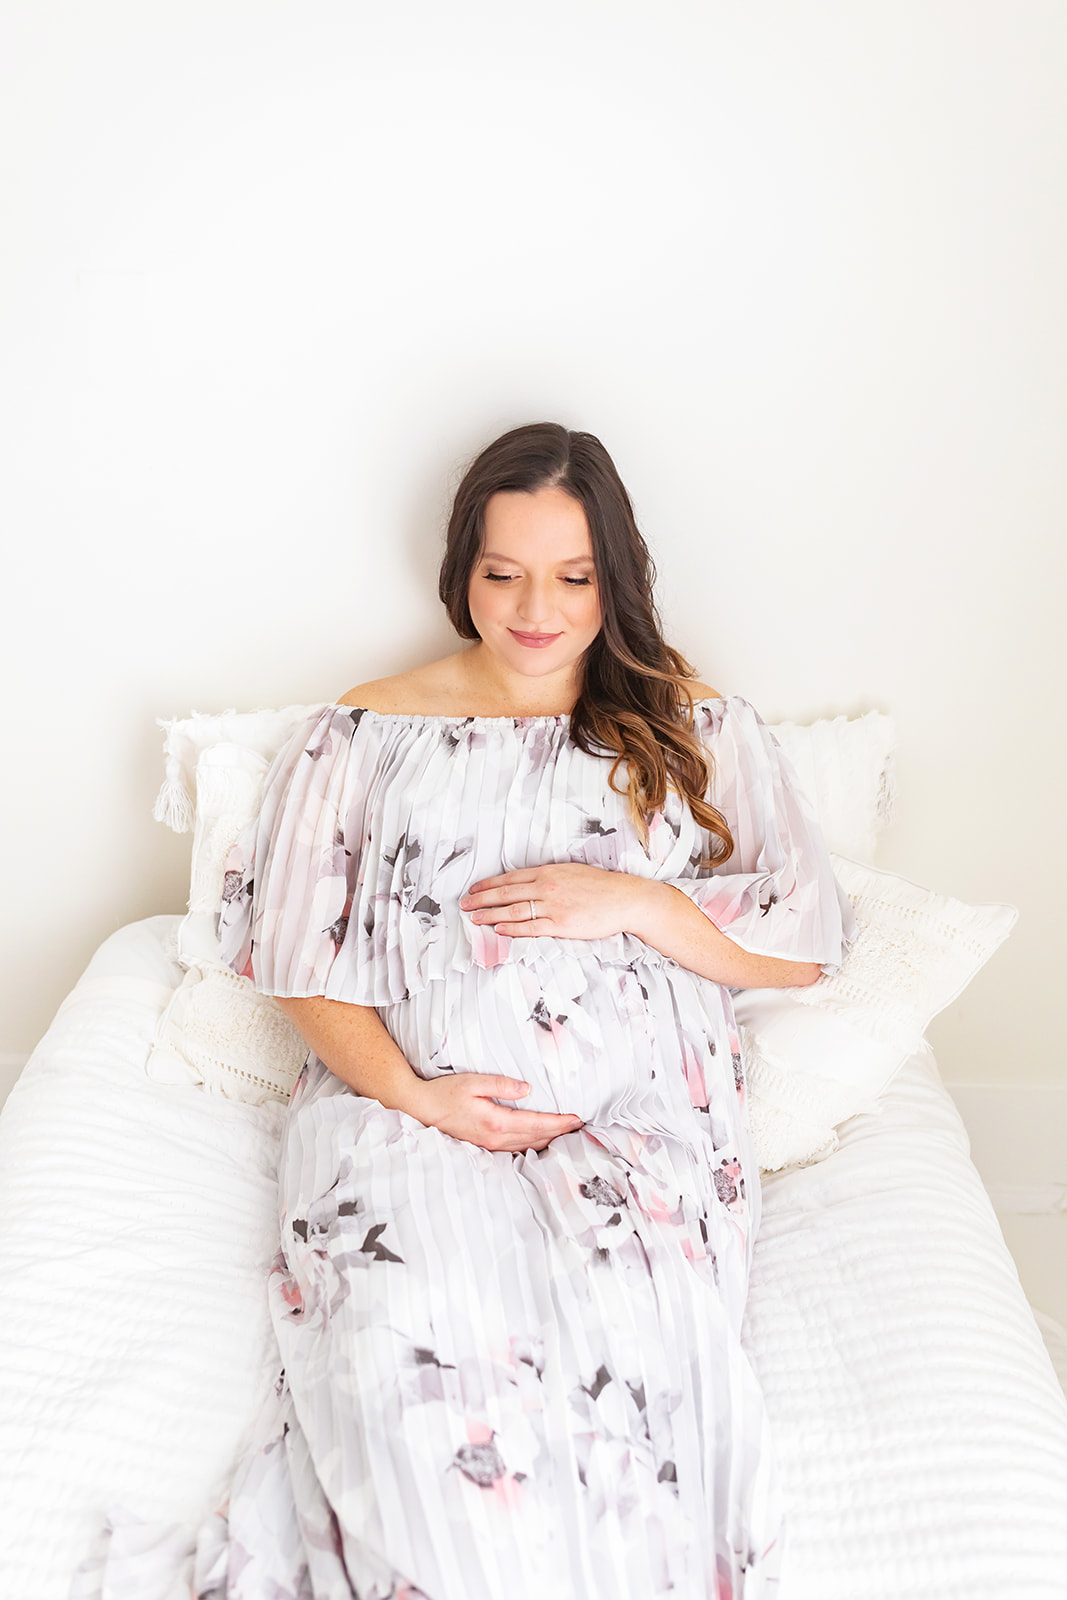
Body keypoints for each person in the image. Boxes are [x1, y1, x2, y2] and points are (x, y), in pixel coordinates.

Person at [203, 422, 853, 1599]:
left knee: (636, 1358)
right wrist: (413, 1092)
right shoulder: (363, 730)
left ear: (616, 576)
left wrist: (636, 901)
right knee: (408, 1343)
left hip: (639, 1122)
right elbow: (293, 951)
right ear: (462, 571)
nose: (533, 609)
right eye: (501, 573)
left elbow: (800, 950)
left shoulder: (691, 728)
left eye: (571, 576)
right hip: (410, 1110)